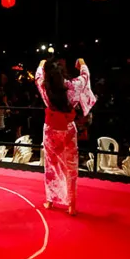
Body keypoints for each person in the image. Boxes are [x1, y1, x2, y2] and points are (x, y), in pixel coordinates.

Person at [35, 57, 96, 216]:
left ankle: (50, 200)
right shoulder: (74, 86)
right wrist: (82, 62)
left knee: (51, 165)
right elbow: (85, 75)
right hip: (68, 129)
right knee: (70, 165)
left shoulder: (44, 86)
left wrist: (42, 63)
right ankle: (72, 205)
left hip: (50, 130)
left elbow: (38, 75)